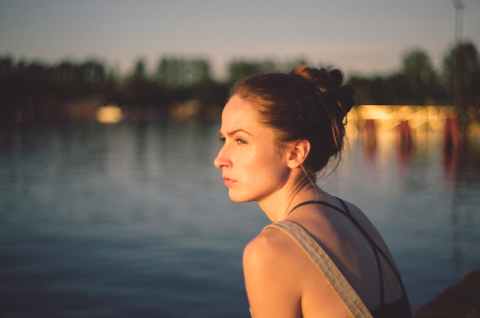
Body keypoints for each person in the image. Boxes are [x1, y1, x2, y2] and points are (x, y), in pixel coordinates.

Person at [214, 66, 412, 318]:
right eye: (224, 140)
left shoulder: (270, 251)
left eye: (240, 140)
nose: (219, 159)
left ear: (295, 153)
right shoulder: (353, 216)